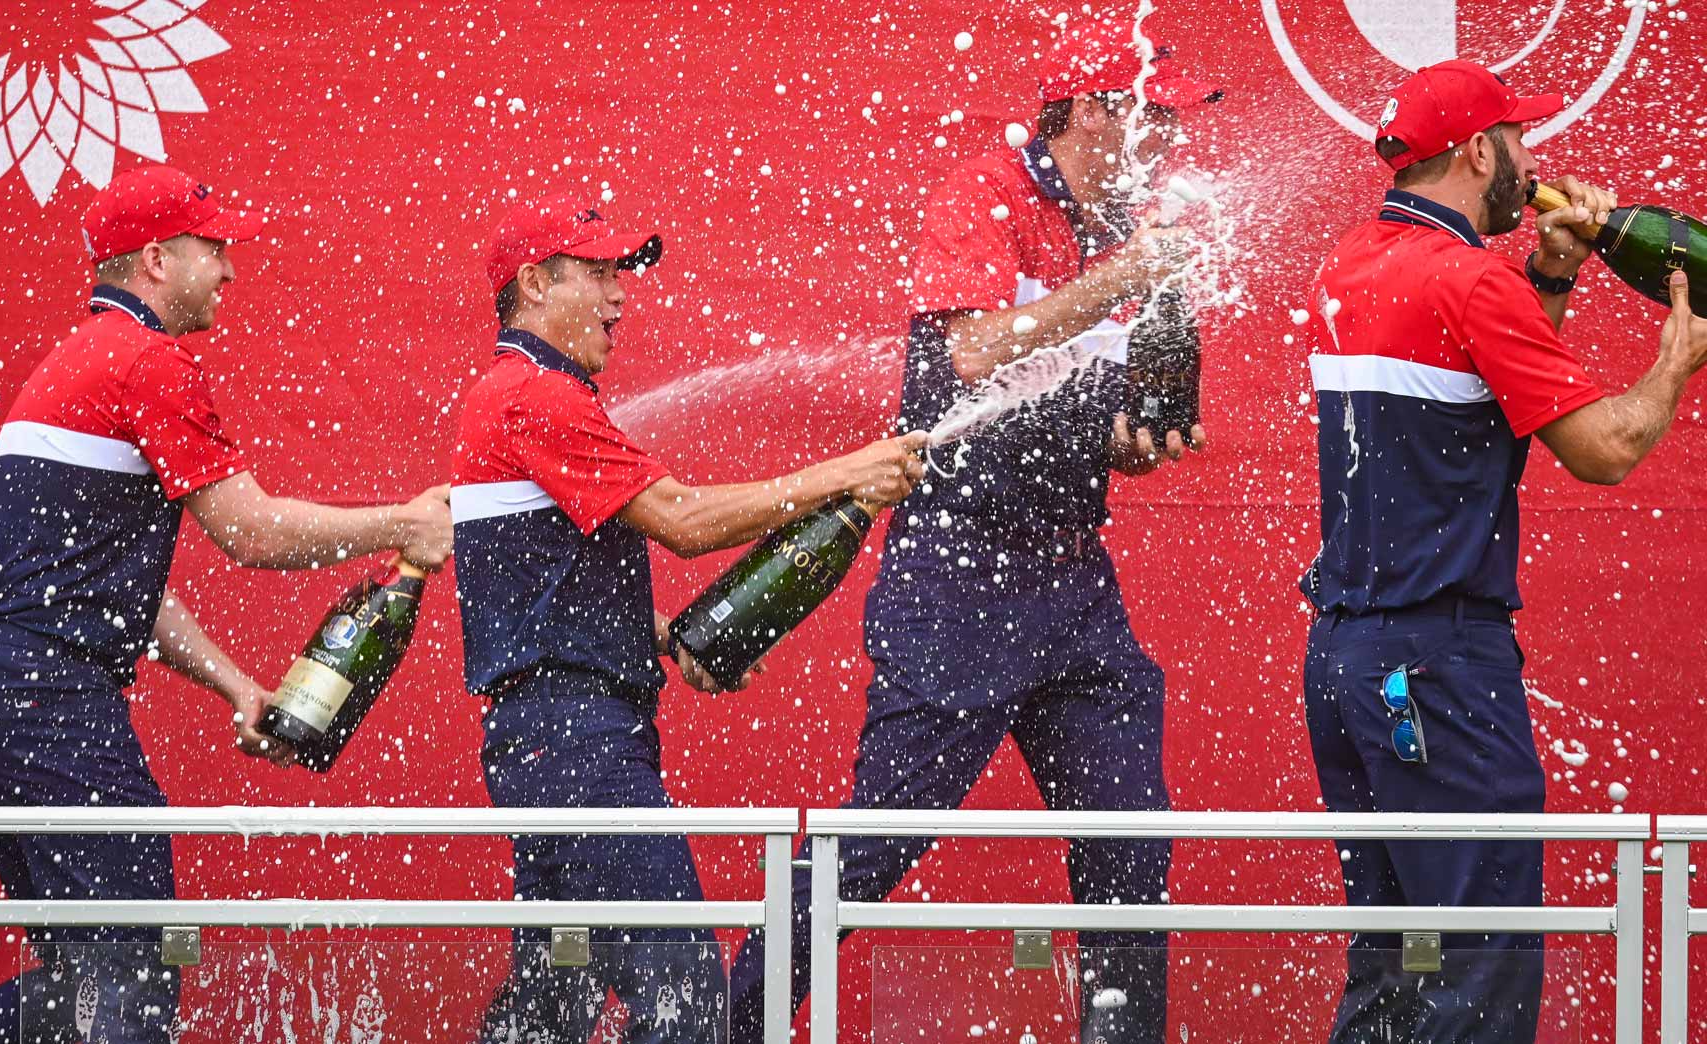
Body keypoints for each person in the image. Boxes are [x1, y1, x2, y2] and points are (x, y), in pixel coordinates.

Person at [726, 17, 1221, 1043]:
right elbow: (970, 353)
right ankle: (721, 1025)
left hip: (1073, 574)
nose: (1170, 133)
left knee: (1130, 843)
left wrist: (1134, 439)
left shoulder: (1122, 222)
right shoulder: (981, 194)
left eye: (1173, 114)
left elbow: (1091, 406)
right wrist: (1122, 279)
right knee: (872, 849)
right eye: (1153, 111)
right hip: (959, 568)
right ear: (1089, 110)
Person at [0, 164, 452, 1043]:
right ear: (158, 259)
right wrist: (401, 521)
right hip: (39, 699)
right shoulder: (148, 361)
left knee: (101, 974)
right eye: (216, 248)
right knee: (131, 971)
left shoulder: (85, 356)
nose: (231, 270)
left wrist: (236, 686)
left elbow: (131, 592)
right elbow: (251, 532)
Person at [1298, 59, 1706, 1042]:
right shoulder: (1472, 281)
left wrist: (1554, 272)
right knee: (1475, 969)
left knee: (1397, 970)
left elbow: (1481, 404)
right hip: (1435, 668)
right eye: (1517, 142)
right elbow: (1601, 452)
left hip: (1350, 664)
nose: (1531, 164)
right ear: (1478, 151)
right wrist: (1673, 360)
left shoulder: (1354, 260)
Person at [456, 193, 926, 1044]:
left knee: (554, 1001)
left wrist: (662, 634)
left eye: (620, 274)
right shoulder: (541, 396)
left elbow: (537, 581)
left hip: (549, 736)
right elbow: (684, 521)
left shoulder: (514, 395)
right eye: (597, 273)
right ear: (534, 283)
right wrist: (848, 472)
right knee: (683, 990)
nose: (620, 294)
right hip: (577, 743)